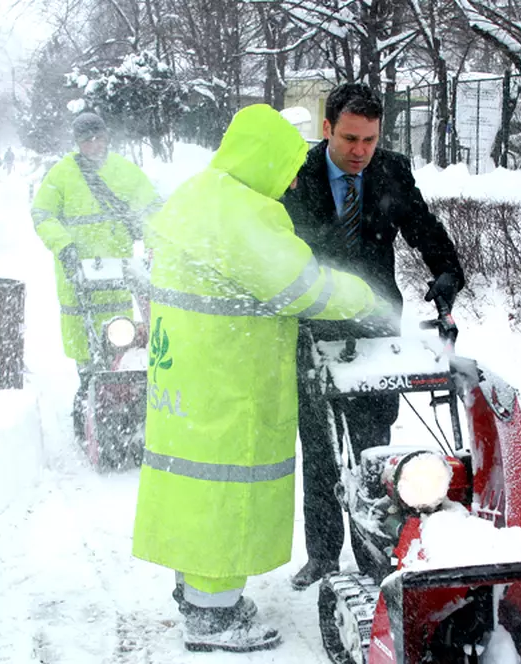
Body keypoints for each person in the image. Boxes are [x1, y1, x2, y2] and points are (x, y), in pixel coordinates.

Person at [132, 103, 393, 653]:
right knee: (225, 493)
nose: (295, 177)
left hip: (189, 378)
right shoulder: (244, 213)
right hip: (231, 381)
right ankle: (214, 619)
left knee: (194, 489)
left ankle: (198, 594)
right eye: (288, 163)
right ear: (264, 157)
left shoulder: (200, 194)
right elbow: (298, 286)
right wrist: (365, 299)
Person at [281, 83, 467, 590]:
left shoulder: (391, 170)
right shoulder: (295, 174)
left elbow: (422, 226)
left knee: (372, 450)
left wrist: (448, 269)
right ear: (327, 129)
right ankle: (322, 554)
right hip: (312, 327)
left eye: (369, 139)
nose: (361, 151)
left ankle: (372, 558)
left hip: (375, 328)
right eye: (349, 139)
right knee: (320, 447)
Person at [30, 112, 164, 439]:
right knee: (85, 346)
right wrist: (65, 247)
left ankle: (119, 404)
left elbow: (150, 209)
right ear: (77, 143)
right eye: (86, 140)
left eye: (97, 138)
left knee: (120, 340)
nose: (93, 145)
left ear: (106, 138)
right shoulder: (61, 175)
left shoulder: (124, 172)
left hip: (116, 276)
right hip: (77, 276)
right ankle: (85, 392)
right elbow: (42, 214)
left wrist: (153, 246)